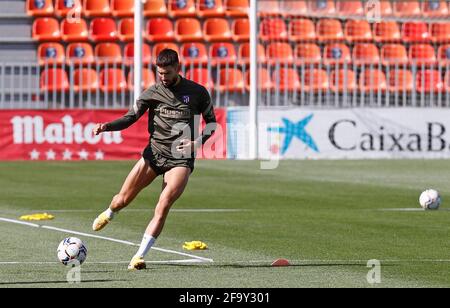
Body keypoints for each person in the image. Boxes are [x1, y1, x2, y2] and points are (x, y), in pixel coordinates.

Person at [91, 49, 217, 270]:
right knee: (121, 200)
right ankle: (111, 213)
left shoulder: (198, 93)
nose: (163, 78)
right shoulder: (152, 93)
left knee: (163, 204)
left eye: (167, 73)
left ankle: (138, 256)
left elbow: (212, 123)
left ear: (178, 68)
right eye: (160, 73)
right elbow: (130, 118)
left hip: (181, 159)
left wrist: (197, 143)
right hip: (153, 154)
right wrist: (107, 126)